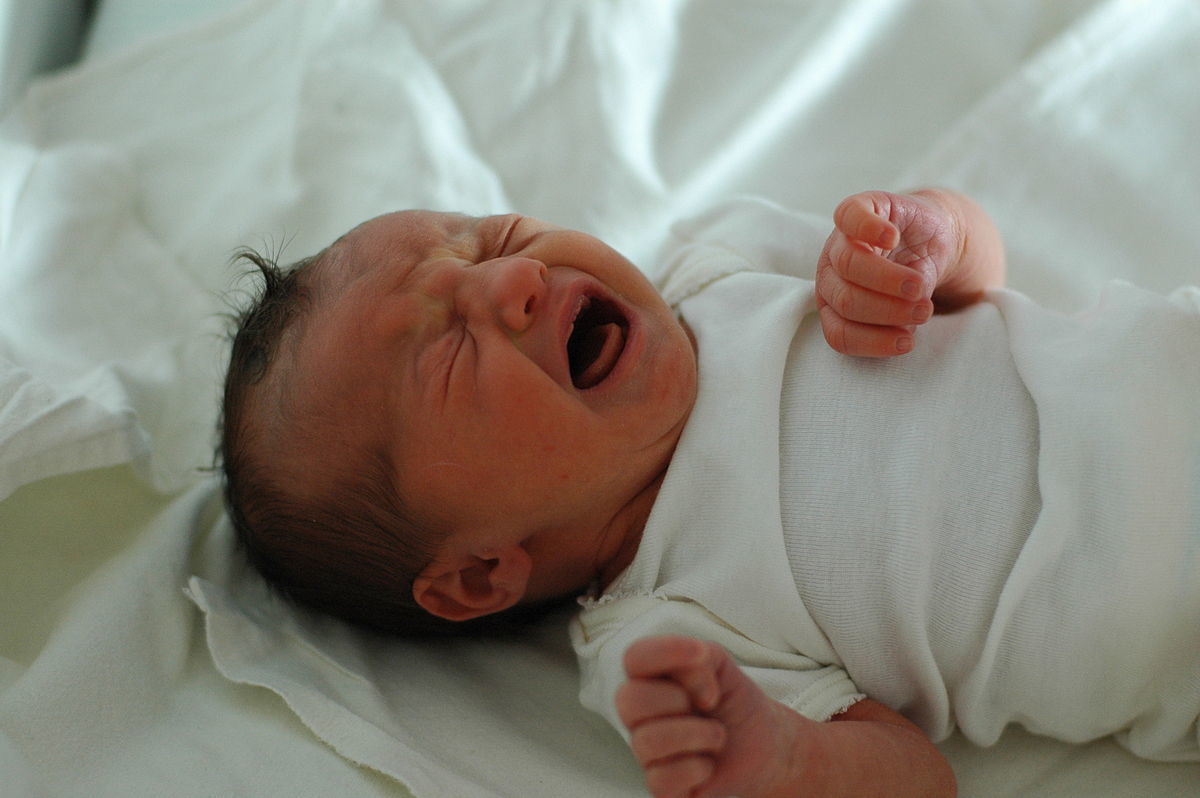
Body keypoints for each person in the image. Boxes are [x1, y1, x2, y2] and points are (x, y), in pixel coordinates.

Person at [219, 188, 1200, 798]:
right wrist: (780, 764)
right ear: (479, 572)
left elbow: (975, 276)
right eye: (446, 356)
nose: (514, 280)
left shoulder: (719, 266)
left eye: (489, 237)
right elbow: (913, 779)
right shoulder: (664, 635)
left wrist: (932, 238)